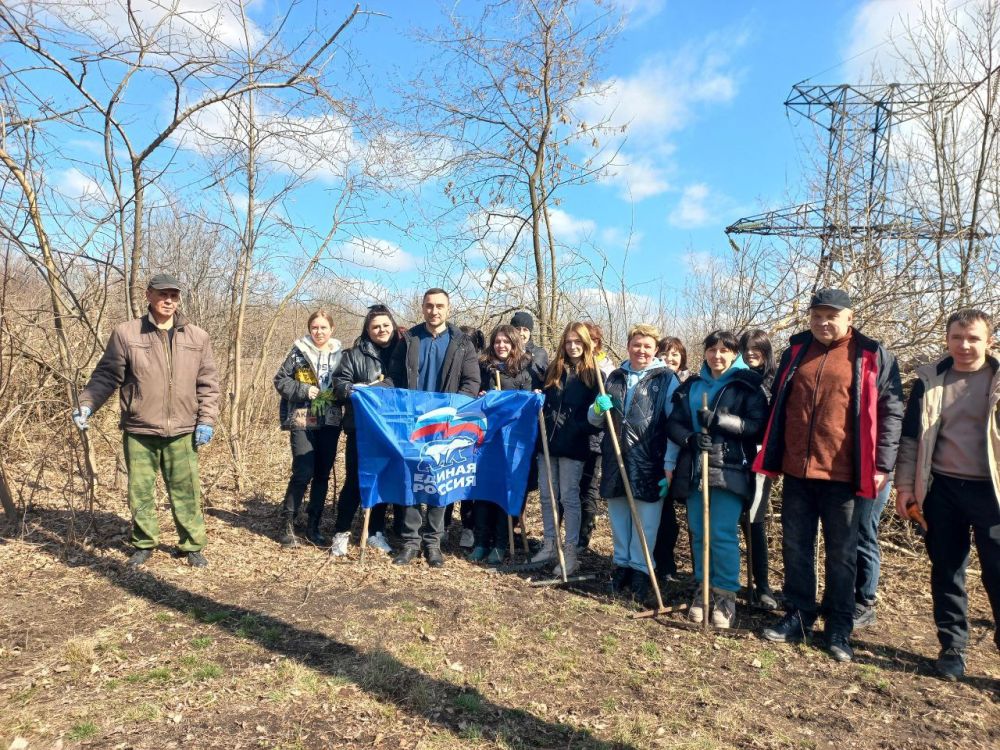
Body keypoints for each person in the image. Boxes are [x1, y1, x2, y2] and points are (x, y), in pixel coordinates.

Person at [756, 288, 903, 663]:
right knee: (795, 546)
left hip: (844, 474)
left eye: (832, 315)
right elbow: (779, 404)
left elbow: (891, 412)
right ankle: (799, 614)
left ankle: (839, 625)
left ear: (849, 318)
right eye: (818, 315)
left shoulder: (871, 354)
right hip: (797, 471)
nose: (824, 322)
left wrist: (884, 464)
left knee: (843, 554)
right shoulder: (796, 351)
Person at [73, 273, 220, 568]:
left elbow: (208, 383)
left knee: (186, 490)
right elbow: (106, 375)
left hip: (183, 430)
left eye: (174, 295)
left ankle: (191, 545)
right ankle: (143, 543)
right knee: (139, 490)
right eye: (163, 294)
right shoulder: (127, 333)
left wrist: (207, 419)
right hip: (139, 427)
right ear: (148, 295)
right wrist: (86, 403)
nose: (168, 300)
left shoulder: (197, 336)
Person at [894, 308, 1000, 681]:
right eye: (957, 337)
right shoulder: (930, 381)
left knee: (998, 573)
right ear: (947, 339)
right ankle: (952, 647)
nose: (965, 345)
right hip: (942, 491)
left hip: (993, 496)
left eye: (973, 338)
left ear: (990, 341)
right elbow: (909, 441)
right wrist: (906, 488)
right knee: (948, 570)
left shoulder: (998, 380)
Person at [665, 331, 768, 628]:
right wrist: (690, 438)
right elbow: (674, 423)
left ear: (734, 353)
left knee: (721, 533)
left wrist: (721, 422)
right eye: (712, 350)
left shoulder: (747, 384)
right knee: (698, 531)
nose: (717, 356)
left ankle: (725, 595)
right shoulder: (692, 385)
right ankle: (703, 588)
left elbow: (758, 426)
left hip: (730, 468)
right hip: (696, 467)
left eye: (725, 350)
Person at [389, 288, 480, 567]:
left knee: (440, 482)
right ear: (422, 307)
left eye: (439, 306)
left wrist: (452, 412)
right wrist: (371, 391)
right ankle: (410, 542)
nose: (434, 311)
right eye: (429, 306)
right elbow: (394, 378)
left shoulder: (462, 342)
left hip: (445, 425)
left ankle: (433, 542)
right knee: (412, 483)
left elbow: (471, 383)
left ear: (448, 309)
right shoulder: (409, 339)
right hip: (411, 424)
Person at [588, 323, 679, 603]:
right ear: (628, 346)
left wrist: (670, 463)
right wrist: (596, 408)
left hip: (649, 461)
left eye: (647, 346)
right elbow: (594, 421)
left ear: (655, 350)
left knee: (646, 522)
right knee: (619, 519)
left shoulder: (665, 379)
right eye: (637, 345)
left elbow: (675, 425)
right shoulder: (614, 377)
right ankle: (622, 567)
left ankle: (641, 572)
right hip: (616, 460)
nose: (641, 350)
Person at [329, 305, 401, 556]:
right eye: (375, 327)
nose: (381, 330)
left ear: (392, 326)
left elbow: (403, 384)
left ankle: (375, 531)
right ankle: (341, 532)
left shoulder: (402, 353)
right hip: (361, 428)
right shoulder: (353, 355)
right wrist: (354, 390)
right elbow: (338, 384)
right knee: (355, 480)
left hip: (392, 429)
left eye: (385, 325)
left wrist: (383, 386)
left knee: (382, 480)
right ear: (368, 330)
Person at [533, 322, 602, 576]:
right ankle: (550, 544)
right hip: (547, 443)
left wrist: (591, 417)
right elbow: (546, 401)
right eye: (569, 342)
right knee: (547, 495)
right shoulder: (554, 369)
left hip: (574, 445)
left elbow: (597, 420)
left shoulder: (593, 375)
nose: (573, 347)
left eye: (578, 342)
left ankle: (571, 552)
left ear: (586, 344)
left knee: (569, 498)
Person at [273, 310, 344, 547]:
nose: (319, 332)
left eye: (323, 327)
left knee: (322, 473)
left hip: (330, 419)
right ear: (309, 328)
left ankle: (313, 526)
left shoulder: (341, 355)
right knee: (303, 471)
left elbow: (347, 382)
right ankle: (288, 524)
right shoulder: (298, 352)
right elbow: (280, 380)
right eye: (315, 327)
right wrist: (304, 391)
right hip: (303, 417)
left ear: (331, 329)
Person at [468, 324, 533, 564]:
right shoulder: (484, 368)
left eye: (506, 342)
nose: (501, 346)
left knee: (504, 491)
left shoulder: (524, 372)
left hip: (512, 442)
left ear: (514, 344)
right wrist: (482, 398)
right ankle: (481, 541)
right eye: (497, 342)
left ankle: (501, 543)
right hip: (486, 441)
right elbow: (472, 396)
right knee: (484, 492)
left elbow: (527, 406)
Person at [738, 329, 779, 610]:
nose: (751, 353)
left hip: (761, 460)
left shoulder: (775, 382)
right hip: (733, 458)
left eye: (757, 348)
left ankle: (762, 586)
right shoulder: (736, 380)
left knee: (754, 521)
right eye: (746, 348)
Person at [652, 335, 690, 582]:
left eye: (675, 354)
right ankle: (661, 564)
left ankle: (675, 566)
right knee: (661, 513)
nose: (669, 359)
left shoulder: (691, 383)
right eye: (664, 354)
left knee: (677, 517)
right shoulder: (654, 380)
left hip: (682, 457)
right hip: (655, 455)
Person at [577, 322, 610, 549]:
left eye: (589, 340)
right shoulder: (575, 365)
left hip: (594, 438)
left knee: (588, 486)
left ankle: (584, 534)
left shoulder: (604, 368)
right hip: (574, 434)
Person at [511, 311, 549, 389]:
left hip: (532, 398)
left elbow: (546, 382)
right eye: (517, 329)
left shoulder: (540, 354)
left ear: (530, 332)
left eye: (525, 330)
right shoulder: (506, 352)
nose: (521, 333)